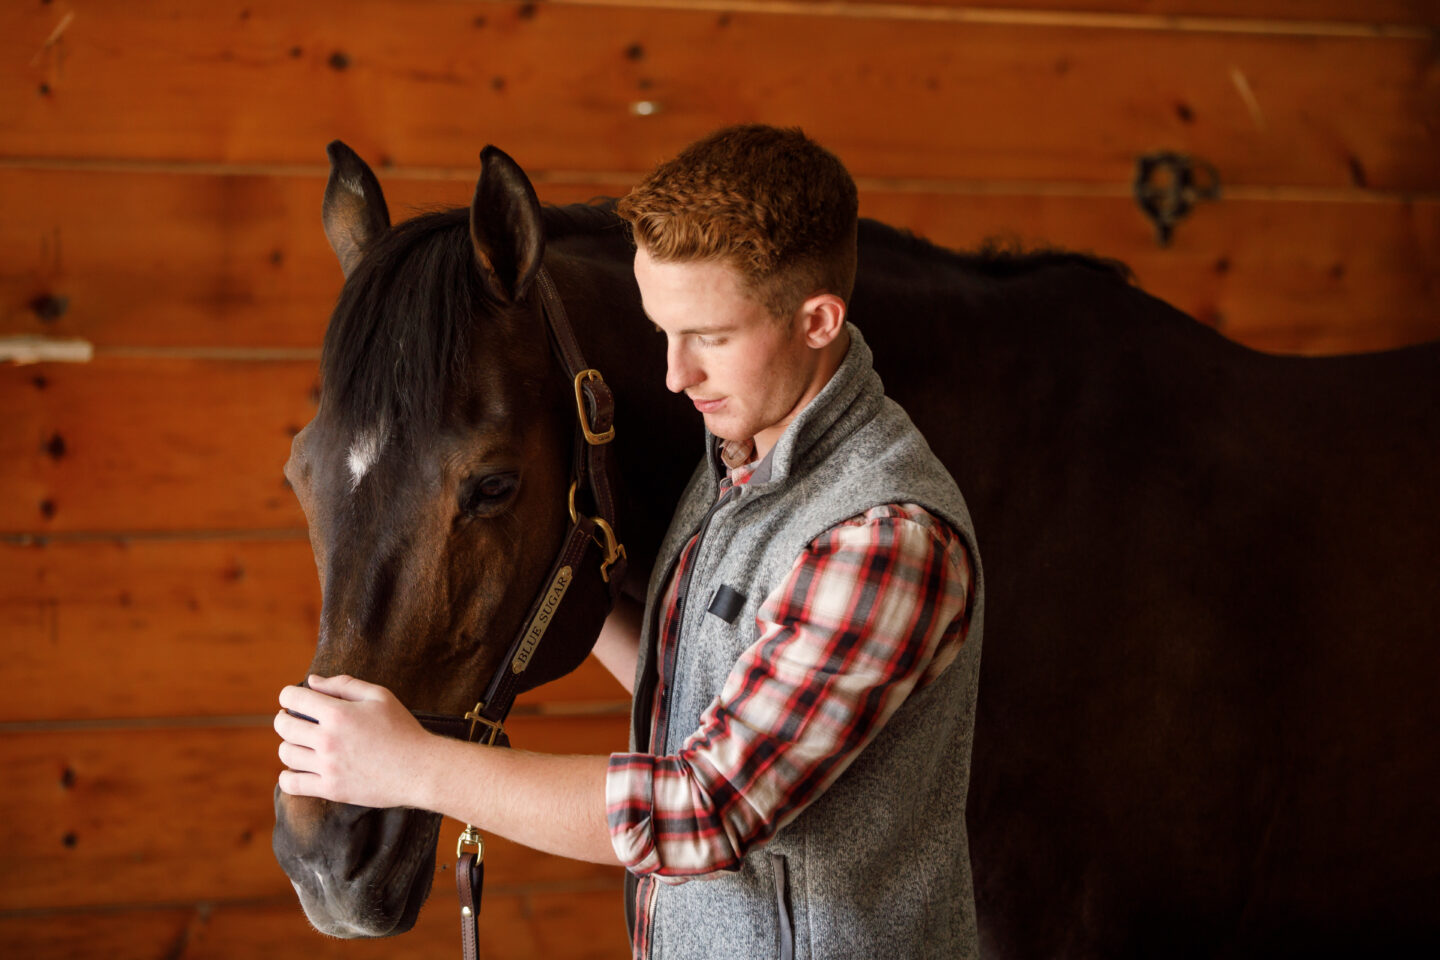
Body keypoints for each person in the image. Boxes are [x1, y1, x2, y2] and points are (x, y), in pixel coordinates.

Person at [276, 124, 984, 959]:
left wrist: (413, 767)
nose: (676, 375)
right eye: (663, 332)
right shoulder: (737, 465)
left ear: (818, 321)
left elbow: (704, 811)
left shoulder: (885, 537)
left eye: (710, 338)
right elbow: (691, 681)